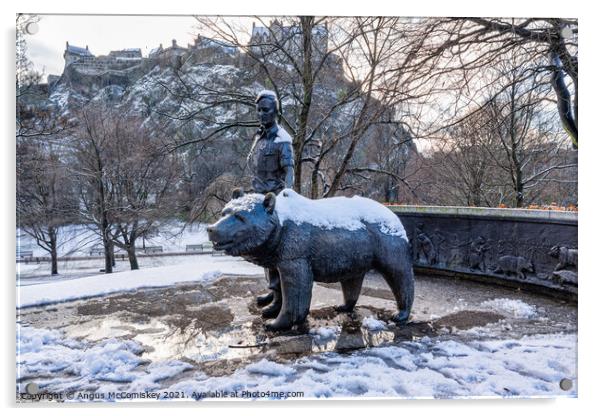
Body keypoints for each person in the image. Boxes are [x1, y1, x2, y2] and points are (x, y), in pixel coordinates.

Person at [247, 90, 294, 318]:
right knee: (264, 249)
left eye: (265, 110)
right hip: (258, 199)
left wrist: (285, 198)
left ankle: (280, 297)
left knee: (276, 251)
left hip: (272, 203)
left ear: (275, 111)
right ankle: (273, 289)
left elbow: (289, 172)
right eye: (258, 110)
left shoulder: (282, 140)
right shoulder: (259, 137)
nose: (261, 114)